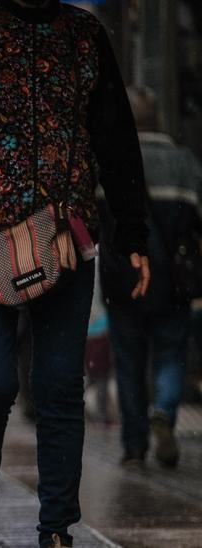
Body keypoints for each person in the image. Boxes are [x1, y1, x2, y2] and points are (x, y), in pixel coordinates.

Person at [0, 1, 151, 547]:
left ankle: (56, 527)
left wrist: (133, 234)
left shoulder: (85, 33)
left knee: (60, 385)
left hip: (64, 232)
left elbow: (115, 137)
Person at [100, 87, 202, 469]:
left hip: (123, 279)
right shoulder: (184, 162)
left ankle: (134, 444)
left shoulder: (111, 161)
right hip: (174, 280)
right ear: (157, 118)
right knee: (171, 353)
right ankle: (164, 410)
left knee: (128, 362)